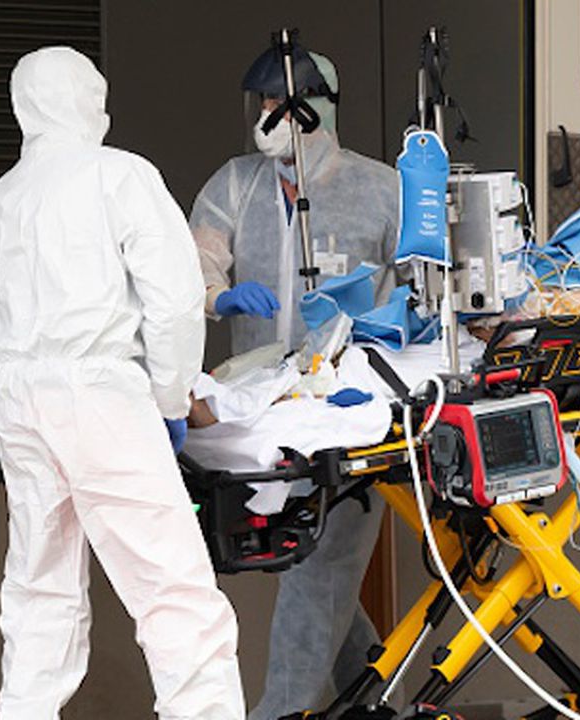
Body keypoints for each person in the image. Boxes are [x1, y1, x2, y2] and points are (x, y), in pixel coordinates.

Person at [0, 47, 244, 719]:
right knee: (173, 588)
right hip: (98, 394)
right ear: (89, 101)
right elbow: (175, 300)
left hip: (17, 396)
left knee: (39, 585)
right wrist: (171, 397)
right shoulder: (120, 175)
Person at [189, 44, 399, 719]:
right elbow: (195, 263)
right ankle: (379, 707)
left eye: (279, 102)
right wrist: (218, 297)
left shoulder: (379, 190)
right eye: (263, 102)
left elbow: (422, 286)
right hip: (264, 411)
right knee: (314, 570)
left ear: (317, 107)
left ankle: (279, 712)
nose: (267, 113)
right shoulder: (237, 184)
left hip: (346, 409)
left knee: (323, 568)